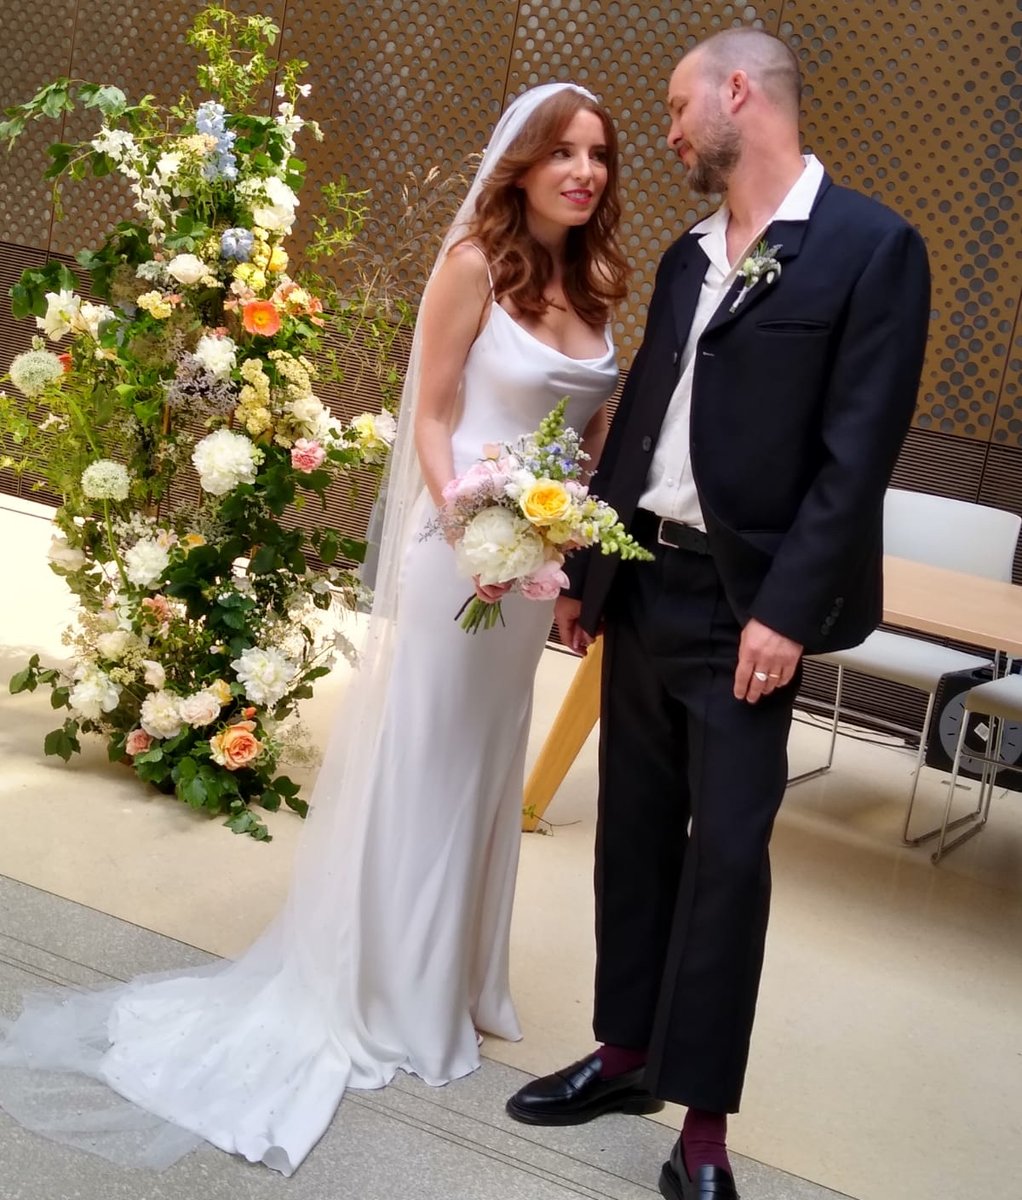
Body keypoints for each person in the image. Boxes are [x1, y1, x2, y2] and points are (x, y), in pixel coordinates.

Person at [0, 82, 626, 1176]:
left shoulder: (597, 278)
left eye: (599, 156)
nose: (584, 172)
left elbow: (584, 437)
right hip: (463, 562)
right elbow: (430, 415)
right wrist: (472, 521)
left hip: (531, 573)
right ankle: (388, 991)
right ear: (519, 162)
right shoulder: (472, 263)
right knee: (424, 762)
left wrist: (557, 540)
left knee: (485, 770)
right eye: (562, 153)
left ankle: (457, 977)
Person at [506, 29, 931, 1200]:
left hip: (751, 613)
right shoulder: (692, 255)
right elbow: (642, 419)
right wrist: (592, 576)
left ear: (737, 92)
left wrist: (787, 614)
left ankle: (700, 1124)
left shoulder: (870, 248)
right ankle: (625, 1053)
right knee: (630, 835)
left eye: (676, 105)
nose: (670, 129)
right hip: (645, 581)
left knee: (726, 860)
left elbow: (856, 458)